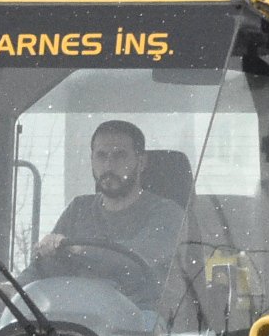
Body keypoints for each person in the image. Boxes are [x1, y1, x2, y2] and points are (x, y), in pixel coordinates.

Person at [34, 120, 185, 280]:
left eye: (119, 155)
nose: (108, 166)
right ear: (92, 160)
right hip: (76, 296)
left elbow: (139, 259)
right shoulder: (78, 209)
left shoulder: (168, 213)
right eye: (101, 156)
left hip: (137, 297)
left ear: (141, 162)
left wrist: (77, 250)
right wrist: (46, 253)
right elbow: (39, 271)